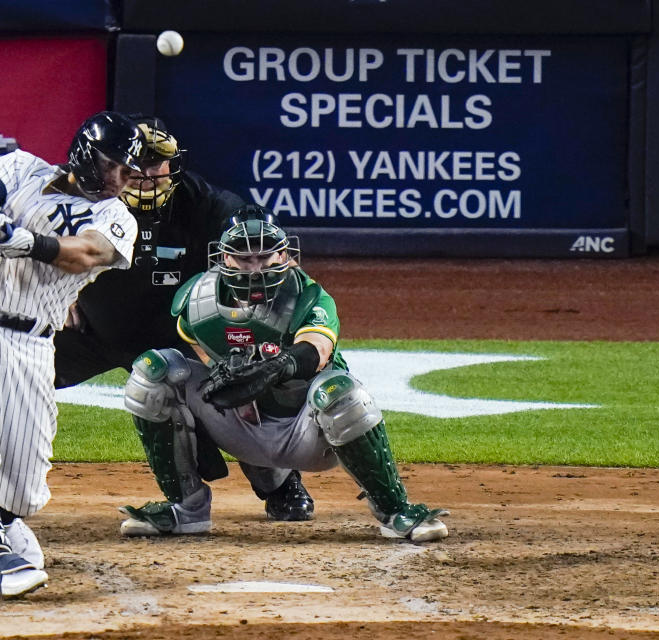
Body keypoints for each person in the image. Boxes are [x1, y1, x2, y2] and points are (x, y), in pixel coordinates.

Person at [117, 205, 449, 542]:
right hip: (242, 427)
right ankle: (184, 510)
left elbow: (315, 350)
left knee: (340, 392)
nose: (255, 268)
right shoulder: (197, 300)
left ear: (286, 256)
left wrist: (277, 365)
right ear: (223, 259)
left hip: (309, 433)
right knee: (153, 372)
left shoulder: (309, 296)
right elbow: (198, 358)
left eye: (265, 257)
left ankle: (395, 511)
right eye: (244, 258)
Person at [0, 111, 147, 597]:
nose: (127, 181)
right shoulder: (23, 167)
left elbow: (83, 254)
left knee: (22, 488)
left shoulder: (117, 218)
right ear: (91, 160)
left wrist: (23, 241)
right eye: (120, 168)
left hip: (32, 345)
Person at [52, 116, 316, 522]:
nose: (148, 172)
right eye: (138, 162)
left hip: (177, 338)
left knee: (235, 392)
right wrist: (57, 290)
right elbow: (37, 237)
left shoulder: (206, 205)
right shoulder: (86, 198)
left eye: (159, 163)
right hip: (94, 330)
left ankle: (276, 481)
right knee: (17, 368)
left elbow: (255, 233)